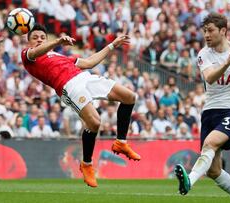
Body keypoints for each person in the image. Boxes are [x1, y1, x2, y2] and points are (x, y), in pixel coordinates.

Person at [21, 24, 141, 187]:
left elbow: (90, 62)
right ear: (29, 42)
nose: (39, 40)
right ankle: (86, 164)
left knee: (129, 97)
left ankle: (120, 141)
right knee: (95, 122)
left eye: (42, 37)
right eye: (35, 38)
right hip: (68, 86)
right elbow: (36, 51)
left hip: (84, 77)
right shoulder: (28, 56)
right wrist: (57, 41)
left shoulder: (57, 55)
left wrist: (112, 45)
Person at [174, 13, 230, 203]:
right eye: (205, 31)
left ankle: (189, 181)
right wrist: (226, 63)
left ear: (223, 31)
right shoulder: (204, 53)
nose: (206, 35)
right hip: (209, 111)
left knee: (209, 144)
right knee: (213, 170)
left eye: (210, 31)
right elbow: (210, 77)